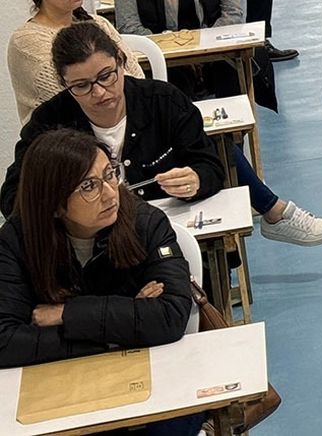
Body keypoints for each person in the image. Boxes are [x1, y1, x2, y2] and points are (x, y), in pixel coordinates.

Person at [8, 22, 322, 245]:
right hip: (88, 241)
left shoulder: (162, 101)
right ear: (65, 84)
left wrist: (196, 179)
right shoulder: (49, 123)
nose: (99, 93)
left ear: (121, 62)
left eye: (107, 76)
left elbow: (210, 163)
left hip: (164, 231)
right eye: (81, 86)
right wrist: (67, 209)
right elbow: (13, 196)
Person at [0, 128, 200, 428]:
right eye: (89, 186)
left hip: (152, 379)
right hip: (61, 387)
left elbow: (170, 316)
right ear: (53, 204)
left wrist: (67, 314)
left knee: (180, 420)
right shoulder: (17, 240)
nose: (110, 193)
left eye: (110, 174)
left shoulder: (146, 222)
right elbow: (5, 341)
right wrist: (118, 330)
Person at [8, 0, 143, 126]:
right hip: (62, 140)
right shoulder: (26, 43)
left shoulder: (99, 23)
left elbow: (137, 80)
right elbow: (78, 97)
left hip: (122, 125)